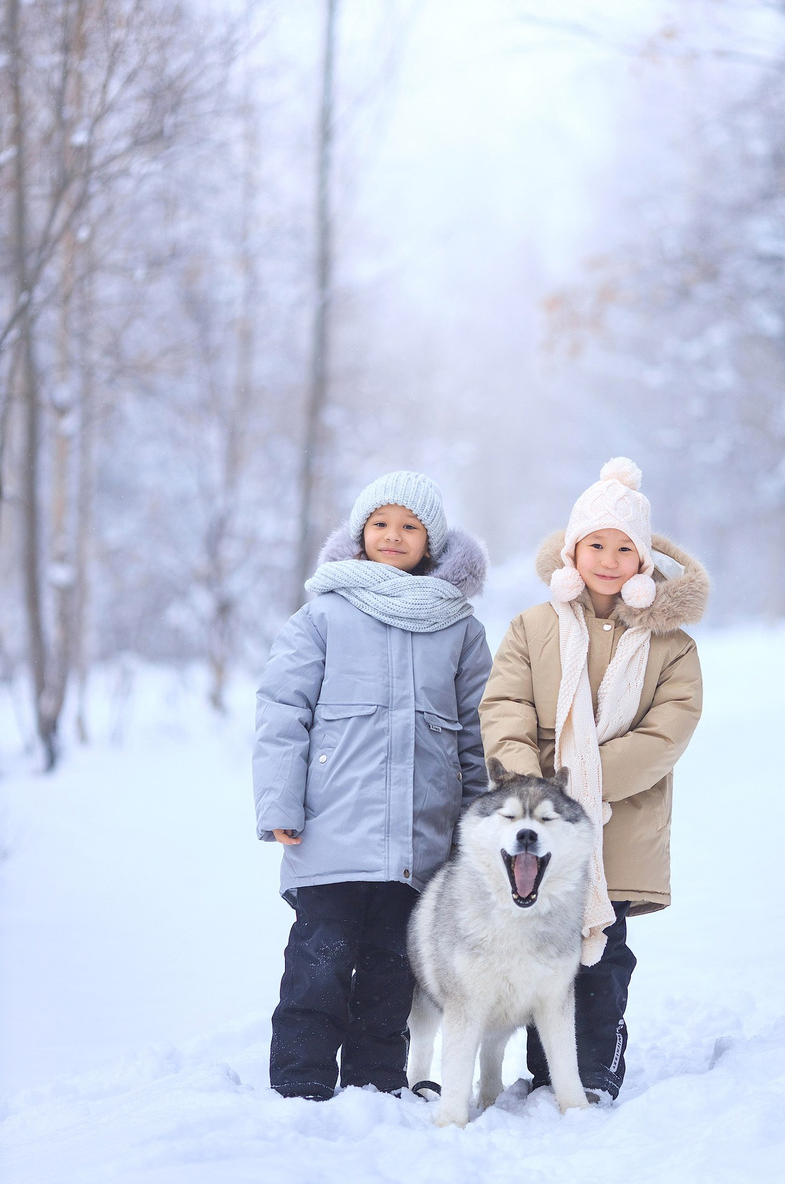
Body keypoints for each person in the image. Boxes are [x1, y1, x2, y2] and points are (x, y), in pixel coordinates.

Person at [254, 472, 492, 1100]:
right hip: (329, 830)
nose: (393, 536)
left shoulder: (459, 628)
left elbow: (477, 736)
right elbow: (283, 711)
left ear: (431, 543)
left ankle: (376, 1085)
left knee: (393, 971)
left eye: (410, 526)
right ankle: (301, 1085)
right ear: (360, 534)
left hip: (420, 839)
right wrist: (280, 803)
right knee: (319, 963)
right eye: (381, 523)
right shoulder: (323, 614)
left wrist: (474, 829)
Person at [483, 458, 710, 1102]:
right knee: (544, 945)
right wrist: (536, 791)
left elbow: (670, 729)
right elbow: (505, 708)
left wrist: (585, 784)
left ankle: (597, 1070)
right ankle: (549, 1069)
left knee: (605, 952)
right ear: (572, 550)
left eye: (624, 548)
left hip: (620, 820)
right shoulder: (532, 628)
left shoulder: (672, 645)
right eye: (596, 546)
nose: (609, 560)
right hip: (544, 822)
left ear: (642, 562)